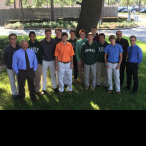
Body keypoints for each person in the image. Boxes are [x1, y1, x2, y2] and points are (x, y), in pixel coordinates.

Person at [40, 29, 59, 95]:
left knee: (53, 74)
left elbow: (57, 51)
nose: (48, 34)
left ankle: (54, 86)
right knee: (44, 75)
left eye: (49, 33)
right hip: (44, 60)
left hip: (52, 60)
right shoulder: (41, 42)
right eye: (47, 33)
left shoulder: (54, 41)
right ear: (45, 34)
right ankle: (44, 89)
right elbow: (40, 52)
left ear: (51, 34)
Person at [3, 33, 21, 100]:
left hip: (19, 68)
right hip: (10, 68)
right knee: (12, 81)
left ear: (16, 39)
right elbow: (5, 59)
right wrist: (9, 65)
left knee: (19, 81)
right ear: (9, 40)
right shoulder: (6, 49)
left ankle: (19, 93)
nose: (13, 40)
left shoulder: (19, 47)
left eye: (14, 38)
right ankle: (14, 93)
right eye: (11, 38)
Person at [28, 31, 43, 95]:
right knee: (30, 78)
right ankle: (31, 90)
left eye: (33, 35)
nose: (32, 37)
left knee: (38, 77)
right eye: (31, 36)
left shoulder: (38, 44)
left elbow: (40, 53)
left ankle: (37, 90)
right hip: (30, 64)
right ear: (29, 37)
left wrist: (40, 62)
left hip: (37, 63)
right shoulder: (27, 44)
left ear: (35, 36)